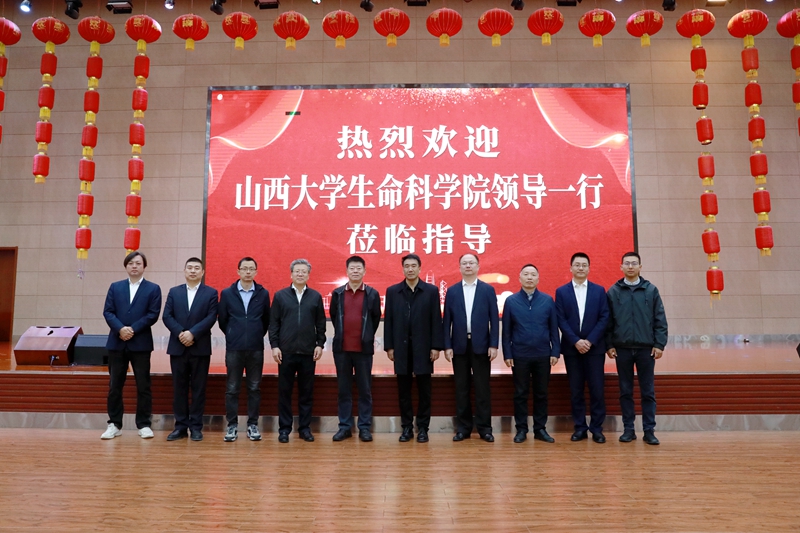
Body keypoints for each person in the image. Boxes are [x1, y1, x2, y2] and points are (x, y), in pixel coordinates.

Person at [605, 251, 668, 446]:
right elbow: (608, 321)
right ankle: (628, 430)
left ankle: (649, 431)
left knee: (647, 391)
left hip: (646, 349)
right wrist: (609, 344)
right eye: (627, 263)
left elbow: (660, 319)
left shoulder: (651, 290)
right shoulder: (613, 291)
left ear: (640, 267)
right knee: (625, 391)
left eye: (634, 263)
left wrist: (659, 344)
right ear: (621, 267)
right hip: (622, 349)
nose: (630, 266)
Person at [101, 251, 162, 440]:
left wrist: (133, 329)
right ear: (126, 266)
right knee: (115, 386)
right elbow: (108, 312)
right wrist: (120, 329)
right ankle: (114, 424)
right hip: (117, 343)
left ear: (144, 267)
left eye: (138, 263)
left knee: (143, 385)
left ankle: (144, 424)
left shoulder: (153, 289)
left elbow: (153, 314)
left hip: (140, 344)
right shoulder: (115, 287)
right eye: (130, 263)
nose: (134, 266)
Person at [384, 253, 443, 443]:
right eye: (407, 266)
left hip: (423, 348)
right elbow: (388, 321)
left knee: (425, 391)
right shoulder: (393, 291)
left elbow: (436, 320)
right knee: (404, 391)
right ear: (403, 269)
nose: (410, 269)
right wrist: (389, 347)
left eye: (413, 266)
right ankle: (407, 428)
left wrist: (436, 346)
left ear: (419, 268)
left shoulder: (431, 291)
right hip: (401, 348)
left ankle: (423, 428)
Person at [442, 253, 499, 443]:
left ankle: (485, 429)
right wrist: (447, 346)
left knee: (482, 389)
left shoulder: (487, 290)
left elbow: (494, 319)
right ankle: (463, 429)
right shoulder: (452, 291)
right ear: (459, 267)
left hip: (482, 346)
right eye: (464, 263)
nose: (468, 266)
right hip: (459, 346)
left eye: (471, 263)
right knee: (461, 389)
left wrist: (493, 344)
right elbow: (447, 321)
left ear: (478, 266)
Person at [270, 258, 326, 443]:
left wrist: (319, 344)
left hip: (308, 353)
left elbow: (321, 324)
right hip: (285, 352)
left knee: (306, 393)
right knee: (284, 392)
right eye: (297, 271)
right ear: (291, 274)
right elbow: (274, 323)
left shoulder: (315, 296)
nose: (300, 274)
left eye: (304, 271)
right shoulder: (280, 296)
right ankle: (284, 429)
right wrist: (275, 346)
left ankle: (304, 428)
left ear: (308, 275)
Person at [502, 264, 560, 444]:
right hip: (520, 354)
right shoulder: (511, 301)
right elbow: (506, 331)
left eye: (533, 274)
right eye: (526, 274)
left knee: (541, 393)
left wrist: (555, 351)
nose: (529, 277)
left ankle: (540, 429)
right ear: (519, 278)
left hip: (543, 354)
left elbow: (553, 328)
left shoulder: (547, 300)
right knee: (520, 393)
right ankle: (521, 429)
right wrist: (507, 354)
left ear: (538, 278)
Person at [555, 252, 610, 444]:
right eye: (577, 265)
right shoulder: (561, 292)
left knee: (597, 390)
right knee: (576, 390)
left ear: (589, 268)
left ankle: (597, 429)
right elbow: (560, 319)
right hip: (572, 349)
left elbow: (604, 317)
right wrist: (576, 341)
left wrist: (590, 340)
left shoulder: (599, 290)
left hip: (595, 349)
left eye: (584, 265)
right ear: (570, 268)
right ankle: (580, 428)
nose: (580, 268)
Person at [162, 257, 218, 442]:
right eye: (190, 268)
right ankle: (180, 427)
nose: (193, 271)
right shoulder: (174, 292)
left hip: (200, 347)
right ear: (185, 271)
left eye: (196, 268)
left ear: (202, 272)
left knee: (198, 389)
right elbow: (167, 316)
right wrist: (181, 333)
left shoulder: (211, 293)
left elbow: (211, 317)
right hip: (178, 347)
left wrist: (192, 333)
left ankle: (196, 427)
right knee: (179, 388)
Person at [328, 256, 382, 443]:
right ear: (347, 271)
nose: (356, 271)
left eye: (359, 268)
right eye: (352, 268)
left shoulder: (372, 294)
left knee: (365, 390)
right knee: (344, 390)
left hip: (363, 350)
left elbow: (375, 319)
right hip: (342, 350)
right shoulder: (337, 294)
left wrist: (366, 336)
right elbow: (334, 317)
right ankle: (345, 427)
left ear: (364, 271)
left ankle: (364, 427)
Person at [218, 257, 270, 443]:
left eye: (251, 269)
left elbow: (266, 320)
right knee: (232, 388)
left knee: (254, 387)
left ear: (256, 272)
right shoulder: (227, 293)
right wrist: (234, 334)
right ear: (238, 271)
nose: (248, 272)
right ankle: (232, 425)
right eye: (244, 268)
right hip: (235, 348)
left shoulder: (263, 293)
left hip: (256, 348)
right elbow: (223, 320)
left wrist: (254, 334)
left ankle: (252, 424)